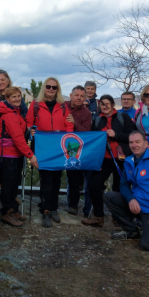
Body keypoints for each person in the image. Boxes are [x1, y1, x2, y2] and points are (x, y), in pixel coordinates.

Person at [82, 95, 137, 227]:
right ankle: (98, 217)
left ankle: (117, 217)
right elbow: (93, 142)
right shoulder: (97, 121)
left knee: (119, 188)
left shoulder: (122, 118)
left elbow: (133, 135)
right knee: (94, 184)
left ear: (112, 105)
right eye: (102, 104)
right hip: (104, 159)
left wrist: (116, 135)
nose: (105, 106)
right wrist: (94, 161)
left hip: (121, 159)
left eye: (107, 104)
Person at [26, 78, 74, 228]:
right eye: (48, 86)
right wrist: (30, 130)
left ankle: (53, 208)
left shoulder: (64, 106)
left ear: (57, 89)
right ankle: (46, 210)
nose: (51, 89)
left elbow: (69, 125)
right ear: (44, 88)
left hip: (59, 147)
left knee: (57, 179)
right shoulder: (35, 105)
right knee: (46, 179)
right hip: (42, 146)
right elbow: (28, 123)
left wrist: (69, 142)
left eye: (54, 87)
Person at [0, 87, 39, 227]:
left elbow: (21, 133)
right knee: (8, 184)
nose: (17, 99)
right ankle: (6, 213)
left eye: (18, 96)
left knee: (14, 183)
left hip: (15, 154)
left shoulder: (15, 112)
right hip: (8, 155)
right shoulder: (9, 115)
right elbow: (18, 138)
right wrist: (31, 155)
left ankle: (13, 209)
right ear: (7, 99)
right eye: (13, 97)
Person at [64, 85, 92, 215]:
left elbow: (86, 132)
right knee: (52, 174)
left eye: (82, 96)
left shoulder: (86, 113)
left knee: (74, 177)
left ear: (85, 98)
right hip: (58, 144)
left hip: (74, 147)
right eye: (77, 95)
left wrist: (74, 122)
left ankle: (73, 204)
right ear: (71, 96)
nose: (79, 98)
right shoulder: (62, 105)